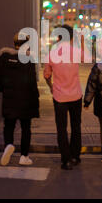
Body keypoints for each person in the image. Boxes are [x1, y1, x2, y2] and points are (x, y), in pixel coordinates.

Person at [0, 32, 39, 166]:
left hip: (9, 98)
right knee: (26, 128)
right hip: (26, 99)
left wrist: (4, 89)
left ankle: (8, 145)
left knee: (9, 125)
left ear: (15, 43)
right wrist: (35, 99)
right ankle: (24, 156)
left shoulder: (4, 58)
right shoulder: (29, 59)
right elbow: (31, 82)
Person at [43, 24, 86, 170]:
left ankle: (66, 160)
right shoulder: (76, 52)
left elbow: (46, 75)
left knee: (61, 129)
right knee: (76, 127)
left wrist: (51, 87)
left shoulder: (52, 54)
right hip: (75, 95)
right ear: (71, 37)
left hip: (59, 96)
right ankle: (75, 156)